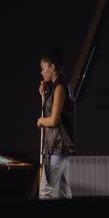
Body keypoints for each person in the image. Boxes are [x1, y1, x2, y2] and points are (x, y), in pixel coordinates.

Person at [37, 46, 75, 200]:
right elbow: (52, 113)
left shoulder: (60, 88)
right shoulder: (59, 87)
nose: (42, 72)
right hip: (61, 147)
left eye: (43, 68)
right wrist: (43, 96)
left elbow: (53, 120)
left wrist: (40, 121)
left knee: (46, 191)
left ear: (52, 67)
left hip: (57, 147)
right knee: (63, 191)